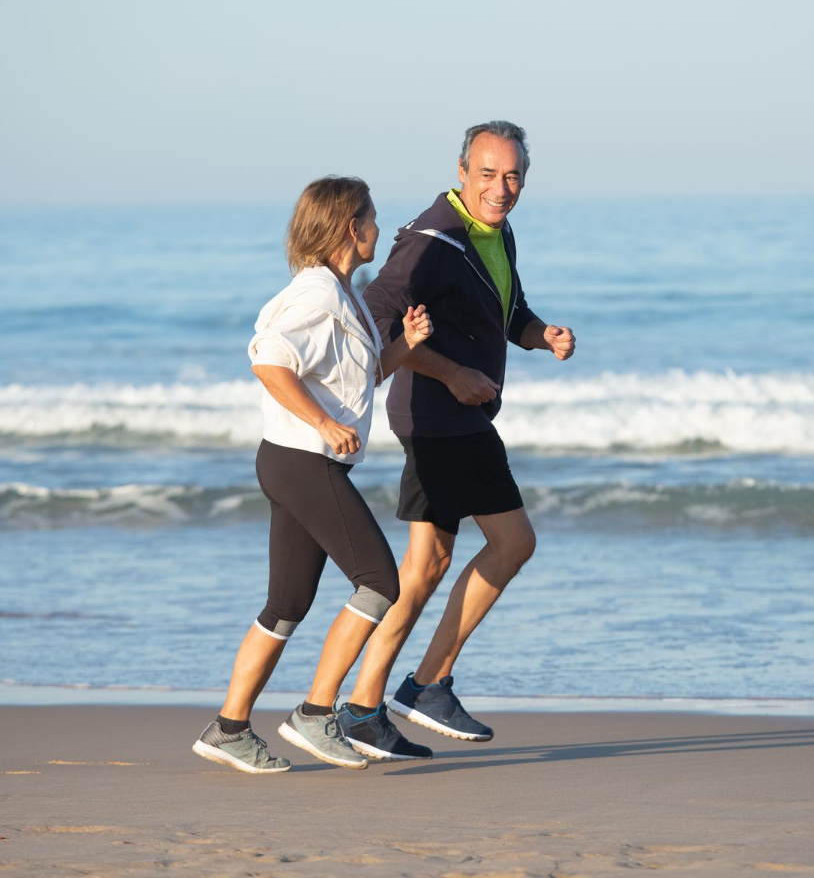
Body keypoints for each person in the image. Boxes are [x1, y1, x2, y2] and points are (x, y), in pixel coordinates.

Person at [335, 121, 576, 761]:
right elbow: (379, 310)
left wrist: (539, 333)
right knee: (514, 541)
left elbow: (507, 312)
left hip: (450, 419)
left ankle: (362, 708)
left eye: (514, 176)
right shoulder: (433, 238)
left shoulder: (492, 233)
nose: (502, 188)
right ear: (462, 171)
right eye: (489, 174)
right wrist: (451, 372)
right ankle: (429, 683)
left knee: (425, 568)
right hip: (442, 419)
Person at [191, 175, 433, 774]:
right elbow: (267, 360)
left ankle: (228, 729)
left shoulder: (343, 295)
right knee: (380, 581)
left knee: (286, 604)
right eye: (373, 218)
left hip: (289, 460)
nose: (380, 228)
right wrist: (324, 425)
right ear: (352, 227)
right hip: (303, 459)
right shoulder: (317, 296)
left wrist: (404, 345)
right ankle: (316, 713)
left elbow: (363, 377)